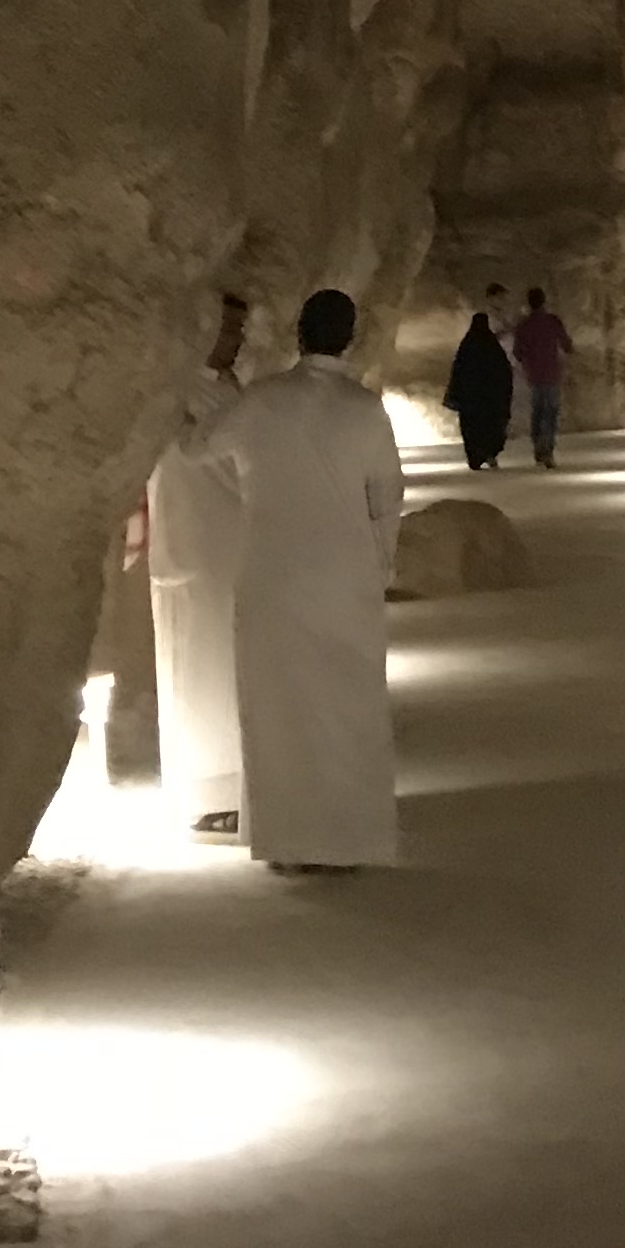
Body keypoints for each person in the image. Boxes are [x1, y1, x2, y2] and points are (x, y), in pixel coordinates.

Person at [202, 286, 403, 873]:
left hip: (272, 575)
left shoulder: (261, 400)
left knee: (279, 710)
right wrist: (379, 565)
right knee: (346, 708)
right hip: (344, 577)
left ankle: (289, 841)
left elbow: (197, 448)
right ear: (350, 338)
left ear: (299, 333)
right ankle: (349, 840)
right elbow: (387, 497)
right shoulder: (364, 408)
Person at [147, 291, 251, 835]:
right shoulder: (178, 391)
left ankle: (234, 787)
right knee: (196, 670)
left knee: (224, 668)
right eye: (229, 328)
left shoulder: (227, 389)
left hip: (227, 544)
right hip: (192, 543)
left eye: (240, 329)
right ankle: (207, 795)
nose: (237, 339)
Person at [446, 289, 514, 471]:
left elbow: (458, 370)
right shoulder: (491, 346)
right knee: (490, 426)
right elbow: (503, 369)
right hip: (489, 399)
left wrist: (458, 393)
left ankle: (475, 458)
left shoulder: (467, 346)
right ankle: (490, 454)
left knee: (472, 427)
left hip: (471, 399)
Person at [512, 284, 571, 469]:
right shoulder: (553, 321)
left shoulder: (524, 325)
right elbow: (567, 344)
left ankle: (538, 448)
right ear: (544, 301)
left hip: (534, 375)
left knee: (538, 412)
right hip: (552, 373)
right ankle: (548, 451)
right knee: (551, 413)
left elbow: (517, 352)